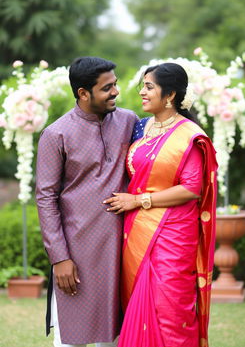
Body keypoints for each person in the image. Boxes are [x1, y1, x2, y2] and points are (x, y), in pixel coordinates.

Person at [104, 62, 218, 347]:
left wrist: (139, 200)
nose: (142, 92)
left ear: (169, 95)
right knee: (139, 305)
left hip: (173, 233)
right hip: (139, 229)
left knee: (168, 308)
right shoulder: (144, 128)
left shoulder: (189, 135)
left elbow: (191, 188)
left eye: (149, 87)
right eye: (143, 86)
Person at [36, 56, 138, 347]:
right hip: (77, 253)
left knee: (117, 335)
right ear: (83, 93)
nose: (115, 92)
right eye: (107, 88)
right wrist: (60, 258)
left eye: (115, 85)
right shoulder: (56, 134)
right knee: (72, 337)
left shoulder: (129, 121)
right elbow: (45, 197)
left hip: (122, 248)